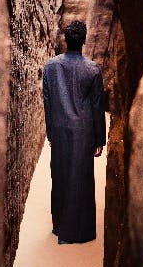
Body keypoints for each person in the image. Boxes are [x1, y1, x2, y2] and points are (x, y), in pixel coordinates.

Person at [41, 20, 106, 244]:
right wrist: (100, 139)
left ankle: (60, 226)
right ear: (84, 40)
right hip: (83, 131)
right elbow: (97, 106)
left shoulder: (50, 67)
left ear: (66, 40)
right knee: (81, 178)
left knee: (60, 176)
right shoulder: (93, 69)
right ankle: (79, 231)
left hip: (60, 129)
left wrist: (50, 132)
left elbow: (47, 103)